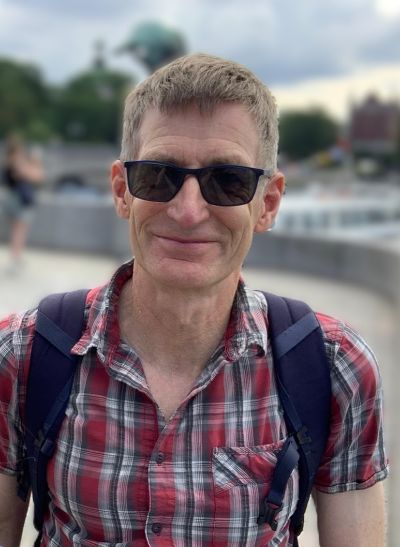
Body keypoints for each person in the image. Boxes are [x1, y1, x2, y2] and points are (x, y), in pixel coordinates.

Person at [0, 53, 388, 546]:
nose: (187, 211)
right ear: (121, 191)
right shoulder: (23, 354)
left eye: (228, 181)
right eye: (157, 176)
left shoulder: (334, 366)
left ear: (267, 203)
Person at [1, 135, 43, 273]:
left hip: (13, 199)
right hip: (20, 201)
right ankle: (15, 258)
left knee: (16, 231)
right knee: (19, 232)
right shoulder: (17, 162)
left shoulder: (8, 162)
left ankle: (15, 257)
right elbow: (36, 177)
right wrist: (36, 162)